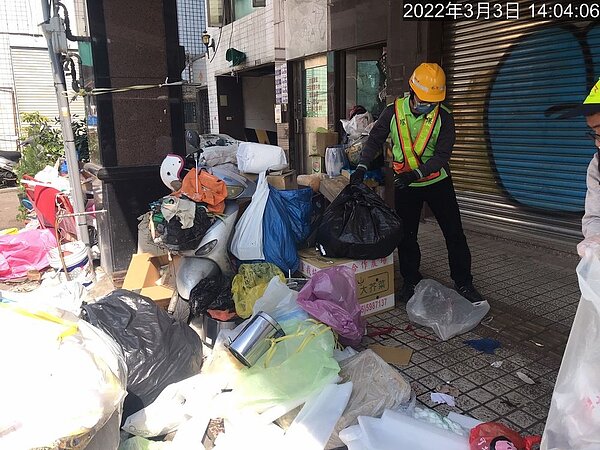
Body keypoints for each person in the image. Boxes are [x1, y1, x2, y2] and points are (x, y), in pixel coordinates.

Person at [350, 62, 483, 303]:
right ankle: (411, 281)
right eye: (425, 100)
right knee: (406, 235)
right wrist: (361, 166)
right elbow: (374, 140)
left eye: (433, 101)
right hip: (405, 185)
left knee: (454, 234)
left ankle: (464, 282)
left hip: (437, 182)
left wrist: (416, 174)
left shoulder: (444, 116)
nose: (429, 105)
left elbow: (442, 156)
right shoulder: (393, 111)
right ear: (413, 92)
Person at [563, 78, 600, 257]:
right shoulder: (597, 166)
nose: (598, 143)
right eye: (594, 132)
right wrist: (595, 237)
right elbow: (594, 216)